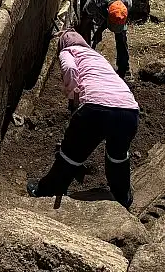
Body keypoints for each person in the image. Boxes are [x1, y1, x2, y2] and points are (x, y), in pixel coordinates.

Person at [27, 29, 139, 207]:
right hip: (129, 109)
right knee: (117, 156)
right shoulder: (97, 56)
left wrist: (72, 95)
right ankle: (122, 196)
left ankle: (48, 190)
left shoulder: (68, 51)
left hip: (96, 108)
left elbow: (70, 68)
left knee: (72, 154)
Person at [77, 0, 133, 76]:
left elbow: (120, 25)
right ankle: (86, 60)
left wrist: (101, 29)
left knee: (121, 36)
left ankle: (124, 67)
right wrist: (80, 36)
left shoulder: (127, 2)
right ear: (106, 11)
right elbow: (86, 19)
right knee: (89, 27)